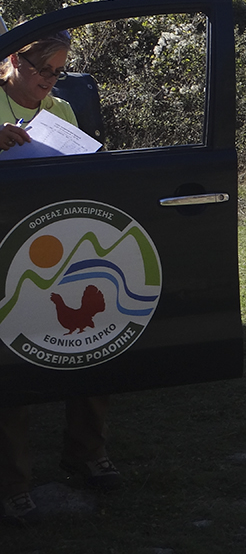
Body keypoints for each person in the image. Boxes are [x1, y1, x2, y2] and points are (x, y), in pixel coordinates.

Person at [0, 31, 122, 527]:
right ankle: (13, 485)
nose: (50, 81)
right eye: (42, 70)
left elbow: (80, 174)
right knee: (12, 362)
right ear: (13, 59)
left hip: (60, 242)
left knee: (89, 345)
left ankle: (87, 453)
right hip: (6, 252)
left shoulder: (63, 110)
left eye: (58, 72)